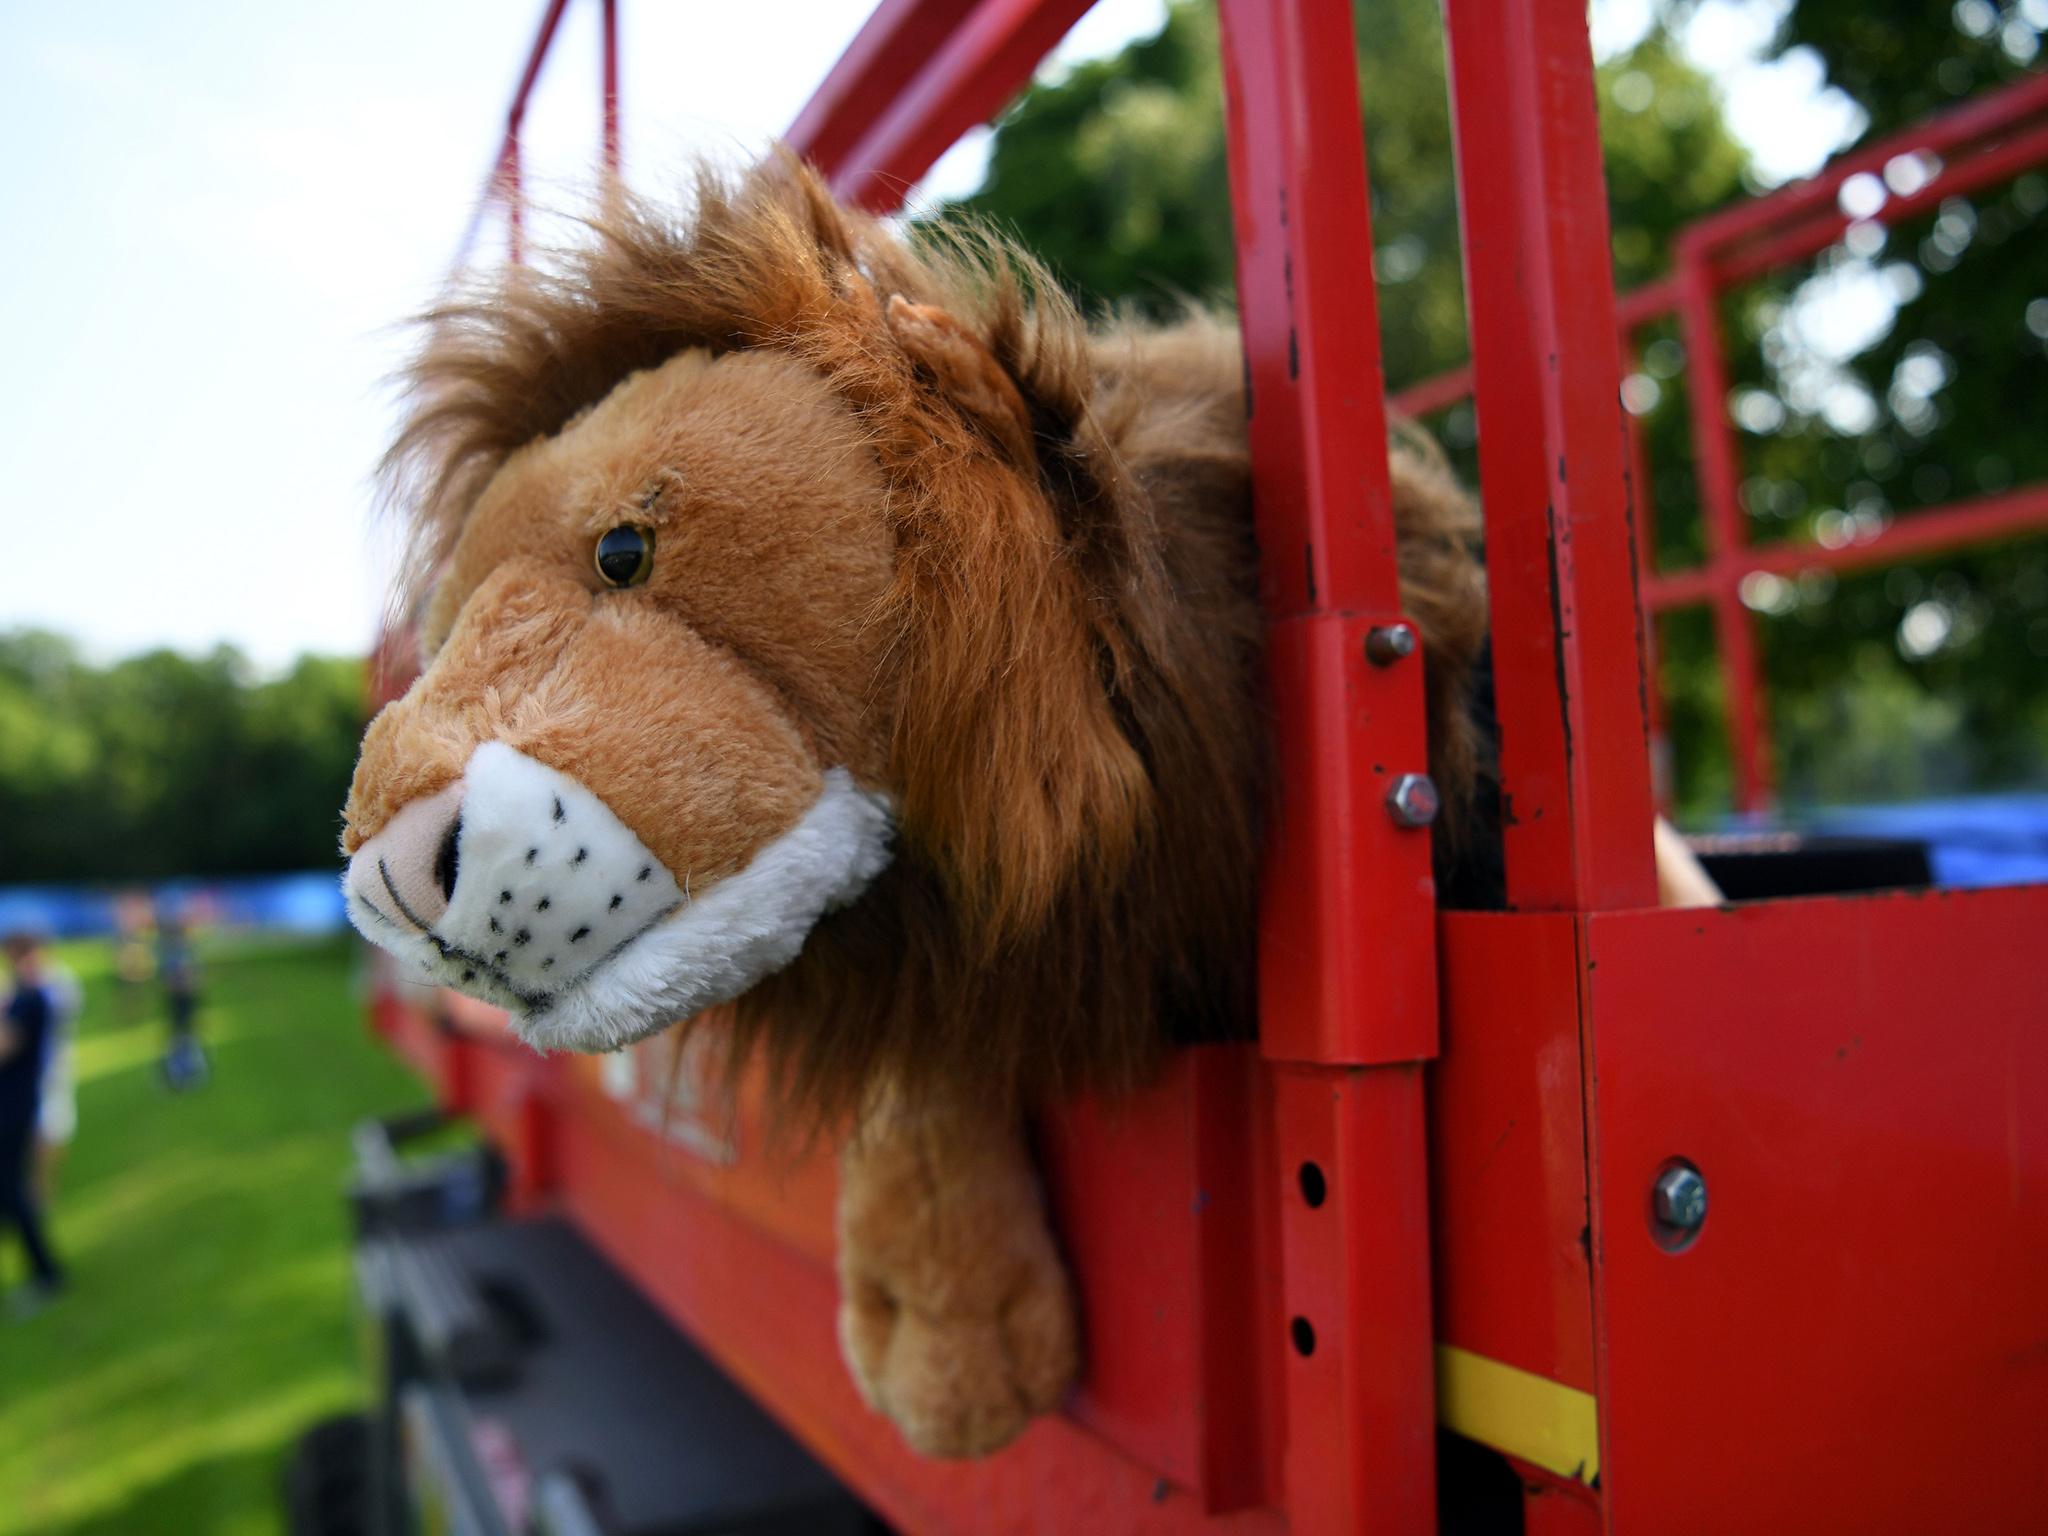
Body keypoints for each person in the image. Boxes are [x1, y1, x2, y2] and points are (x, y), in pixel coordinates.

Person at [0, 932, 66, 1309]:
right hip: (12, 1107)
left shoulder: (31, 998)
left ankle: (45, 1274)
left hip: (12, 1111)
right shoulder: (21, 996)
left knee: (13, 1193)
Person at [35, 955, 82, 1203]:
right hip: (39, 1068)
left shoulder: (57, 982)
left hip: (51, 1067)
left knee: (51, 1126)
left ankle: (42, 1189)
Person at [156, 907, 207, 1089]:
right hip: (178, 1000)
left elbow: (192, 977)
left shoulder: (180, 950)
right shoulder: (173, 951)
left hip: (184, 999)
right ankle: (182, 1072)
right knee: (181, 1037)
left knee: (185, 1036)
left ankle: (187, 1071)